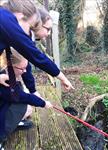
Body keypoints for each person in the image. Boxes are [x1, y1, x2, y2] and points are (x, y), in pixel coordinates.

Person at [0, 0, 74, 148]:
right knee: (19, 104)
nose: (28, 33)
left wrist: (33, 91)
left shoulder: (5, 25)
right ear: (20, 16)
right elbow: (36, 56)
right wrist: (61, 78)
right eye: (31, 26)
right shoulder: (5, 20)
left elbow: (28, 66)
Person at [0, 49, 53, 150]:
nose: (25, 71)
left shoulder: (6, 74)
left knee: (27, 108)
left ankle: (13, 123)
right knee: (22, 104)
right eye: (22, 68)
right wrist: (43, 103)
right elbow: (22, 97)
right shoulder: (5, 81)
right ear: (9, 65)